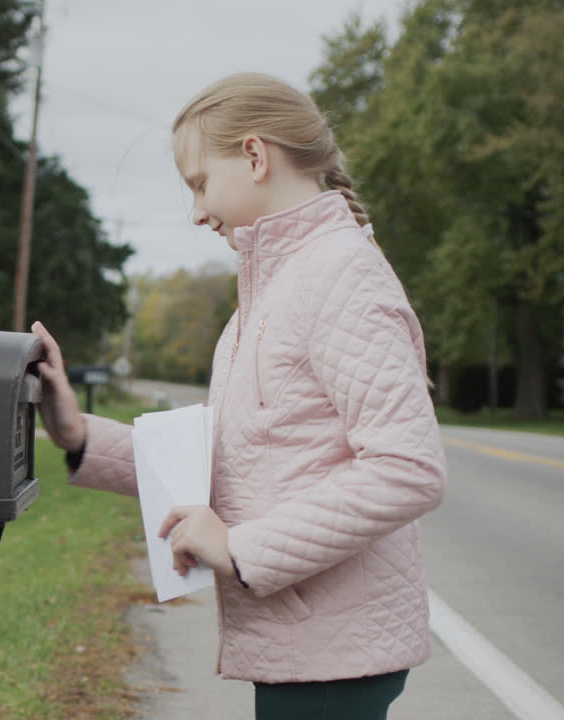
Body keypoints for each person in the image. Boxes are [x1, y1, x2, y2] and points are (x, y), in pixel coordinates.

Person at [31, 72, 446, 720]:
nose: (196, 212)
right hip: (307, 644)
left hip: (333, 653)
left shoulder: (340, 277)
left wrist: (243, 549)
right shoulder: (275, 290)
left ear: (254, 156)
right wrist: (78, 433)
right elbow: (222, 458)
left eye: (198, 184)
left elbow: (408, 469)